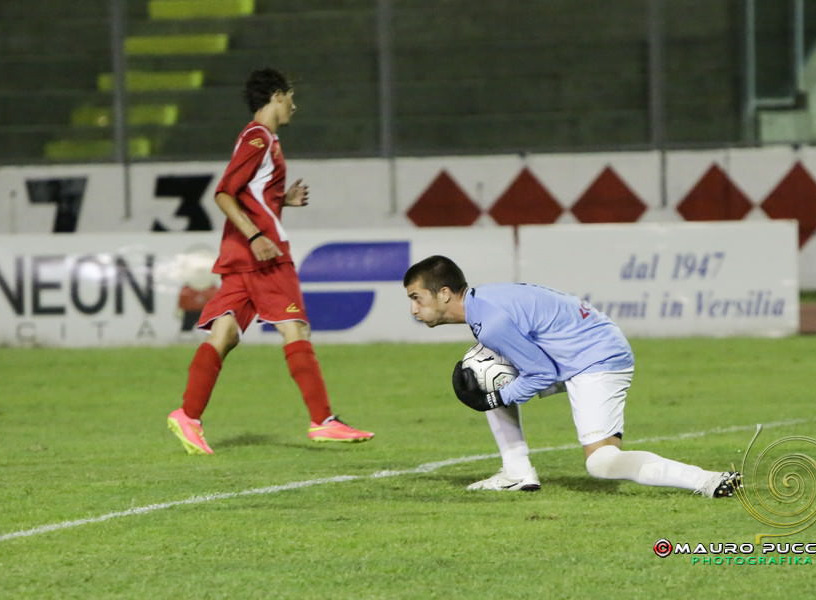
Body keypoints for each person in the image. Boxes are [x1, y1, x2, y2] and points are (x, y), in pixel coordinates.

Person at [403, 255, 740, 497]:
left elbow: (541, 372)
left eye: (416, 298)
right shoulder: (485, 301)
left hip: (596, 360)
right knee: (485, 376)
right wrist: (493, 393)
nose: (414, 309)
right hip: (587, 350)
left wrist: (496, 398)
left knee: (602, 463)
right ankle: (517, 472)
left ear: (444, 293)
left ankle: (707, 480)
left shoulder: (490, 321)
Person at [167, 68, 373, 454]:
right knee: (295, 329)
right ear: (277, 95)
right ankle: (323, 420)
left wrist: (281, 201)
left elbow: (250, 195)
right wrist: (258, 235)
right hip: (263, 255)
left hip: (243, 256)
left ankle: (188, 415)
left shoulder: (263, 140)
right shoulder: (259, 138)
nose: (295, 104)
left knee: (224, 334)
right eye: (291, 95)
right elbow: (225, 193)